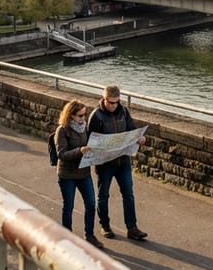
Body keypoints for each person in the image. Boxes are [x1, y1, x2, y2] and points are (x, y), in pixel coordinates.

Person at [88, 84, 148, 241]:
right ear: (103, 99)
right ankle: (105, 226)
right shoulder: (96, 116)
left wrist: (140, 139)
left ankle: (132, 228)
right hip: (105, 164)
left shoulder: (124, 112)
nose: (114, 106)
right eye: (111, 102)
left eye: (116, 102)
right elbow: (90, 140)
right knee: (103, 195)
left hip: (123, 161)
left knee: (128, 194)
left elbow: (132, 130)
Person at [55, 100, 104, 249]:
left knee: (90, 204)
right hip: (67, 175)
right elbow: (61, 154)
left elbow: (91, 146)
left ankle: (89, 235)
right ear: (71, 115)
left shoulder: (85, 128)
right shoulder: (62, 130)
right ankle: (67, 236)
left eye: (84, 115)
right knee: (68, 206)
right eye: (80, 115)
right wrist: (80, 151)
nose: (83, 118)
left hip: (83, 173)